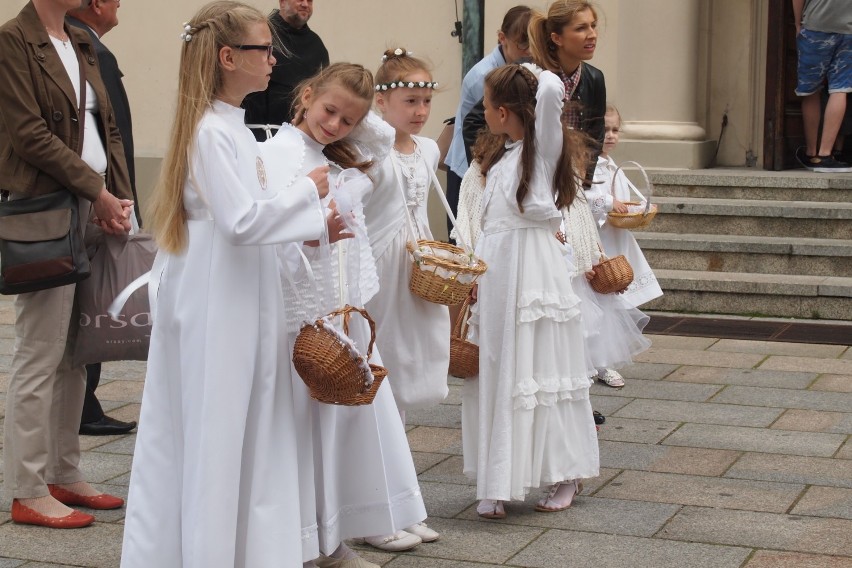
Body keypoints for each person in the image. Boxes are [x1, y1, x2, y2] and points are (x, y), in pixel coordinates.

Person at [119, 3, 347, 566]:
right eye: (263, 49)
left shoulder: (234, 126)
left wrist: (311, 225)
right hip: (216, 292)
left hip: (238, 287)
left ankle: (241, 547)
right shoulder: (209, 133)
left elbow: (252, 212)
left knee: (246, 416)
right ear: (228, 57)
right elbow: (242, 221)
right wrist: (308, 197)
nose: (274, 59)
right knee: (215, 422)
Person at [262, 62, 431, 568]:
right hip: (303, 310)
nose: (335, 125)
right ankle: (307, 542)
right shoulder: (279, 153)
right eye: (328, 111)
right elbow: (270, 231)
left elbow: (381, 139)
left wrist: (363, 100)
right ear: (306, 94)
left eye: (348, 120)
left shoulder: (338, 151)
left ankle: (331, 536)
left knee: (338, 430)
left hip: (340, 307)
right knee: (303, 430)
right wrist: (316, 228)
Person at [0, 0, 133, 529]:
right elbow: (28, 134)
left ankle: (64, 471)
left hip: (92, 207)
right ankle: (28, 488)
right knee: (40, 352)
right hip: (47, 207)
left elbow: (111, 130)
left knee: (77, 350)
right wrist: (96, 190)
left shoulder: (80, 41)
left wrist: (119, 197)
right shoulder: (13, 40)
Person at [462, 64, 599, 520]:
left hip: (533, 268)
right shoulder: (503, 159)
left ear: (503, 111)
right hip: (499, 267)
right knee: (499, 365)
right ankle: (498, 476)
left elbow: (550, 98)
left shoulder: (540, 151)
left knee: (538, 366)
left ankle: (566, 470)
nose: (483, 112)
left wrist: (536, 73)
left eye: (487, 105)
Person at [361, 47, 448, 551]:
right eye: (410, 100)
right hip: (382, 268)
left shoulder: (426, 152)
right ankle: (378, 504)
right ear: (382, 102)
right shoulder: (372, 149)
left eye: (425, 101)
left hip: (419, 267)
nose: (419, 111)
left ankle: (401, 498)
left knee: (408, 377)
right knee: (381, 380)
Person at [67, 0, 139, 437]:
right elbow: (113, 136)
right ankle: (84, 406)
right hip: (100, 198)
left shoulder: (85, 45)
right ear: (95, 5)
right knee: (90, 304)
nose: (118, 6)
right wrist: (121, 198)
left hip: (97, 195)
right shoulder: (93, 51)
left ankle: (83, 404)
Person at [443, 5, 531, 236]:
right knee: (466, 242)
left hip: (499, 166)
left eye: (533, 42)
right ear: (502, 38)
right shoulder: (484, 75)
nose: (529, 50)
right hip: (471, 167)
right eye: (522, 43)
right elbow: (471, 128)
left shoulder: (522, 69)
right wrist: (485, 171)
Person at [588, 104, 663, 308]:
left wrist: (637, 208)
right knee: (603, 285)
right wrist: (609, 202)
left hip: (616, 234)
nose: (611, 136)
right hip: (599, 237)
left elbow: (622, 201)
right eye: (605, 130)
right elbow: (584, 197)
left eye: (615, 130)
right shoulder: (588, 167)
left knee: (619, 286)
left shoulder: (614, 167)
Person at [243, 0, 329, 141]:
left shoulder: (317, 45)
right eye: (300, 0)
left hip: (296, 138)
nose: (305, 4)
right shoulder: (262, 34)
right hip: (253, 133)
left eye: (309, 1)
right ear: (282, 2)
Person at [792, 0, 852, 172]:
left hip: (816, 26)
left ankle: (812, 154)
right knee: (840, 89)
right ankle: (826, 154)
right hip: (848, 30)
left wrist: (797, 24)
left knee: (810, 91)